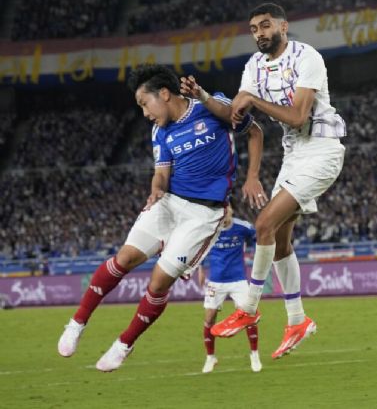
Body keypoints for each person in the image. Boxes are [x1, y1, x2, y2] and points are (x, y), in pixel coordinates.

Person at [56, 64, 262, 371]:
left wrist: (252, 176)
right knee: (123, 259)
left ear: (164, 94)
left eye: (144, 103)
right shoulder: (160, 131)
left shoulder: (210, 106)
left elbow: (248, 126)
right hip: (168, 202)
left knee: (159, 281)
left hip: (203, 213)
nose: (144, 113)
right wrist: (155, 190)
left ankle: (124, 343)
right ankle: (77, 322)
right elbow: (161, 174)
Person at [183, 2, 346, 359]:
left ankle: (250, 308)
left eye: (265, 25)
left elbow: (299, 115)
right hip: (293, 155)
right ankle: (297, 320)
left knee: (264, 224)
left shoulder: (308, 58)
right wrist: (204, 97)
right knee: (280, 241)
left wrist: (253, 99)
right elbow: (236, 113)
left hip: (321, 149)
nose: (260, 33)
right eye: (254, 28)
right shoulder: (254, 66)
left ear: (283, 27)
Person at [197, 202, 261, 373]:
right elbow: (201, 248)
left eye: (227, 211)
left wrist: (257, 255)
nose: (224, 215)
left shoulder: (243, 227)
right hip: (216, 281)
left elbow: (259, 238)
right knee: (209, 319)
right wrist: (200, 269)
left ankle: (254, 354)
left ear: (231, 211)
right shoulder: (211, 229)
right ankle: (211, 357)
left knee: (249, 315)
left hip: (238, 280)